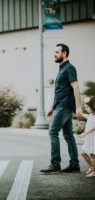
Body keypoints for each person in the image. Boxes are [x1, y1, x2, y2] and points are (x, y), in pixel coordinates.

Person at [40, 43, 82, 174]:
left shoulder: (69, 68)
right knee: (69, 135)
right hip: (61, 105)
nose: (54, 54)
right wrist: (52, 107)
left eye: (57, 52)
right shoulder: (62, 69)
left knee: (53, 132)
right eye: (54, 52)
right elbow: (60, 91)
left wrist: (79, 107)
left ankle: (55, 164)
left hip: (65, 106)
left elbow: (76, 87)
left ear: (64, 53)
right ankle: (74, 165)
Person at [78, 96, 95, 177]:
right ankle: (92, 167)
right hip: (89, 138)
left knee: (92, 154)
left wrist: (84, 133)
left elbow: (94, 127)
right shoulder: (91, 115)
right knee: (84, 152)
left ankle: (94, 171)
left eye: (87, 107)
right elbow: (87, 116)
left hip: (93, 138)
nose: (86, 109)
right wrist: (81, 114)